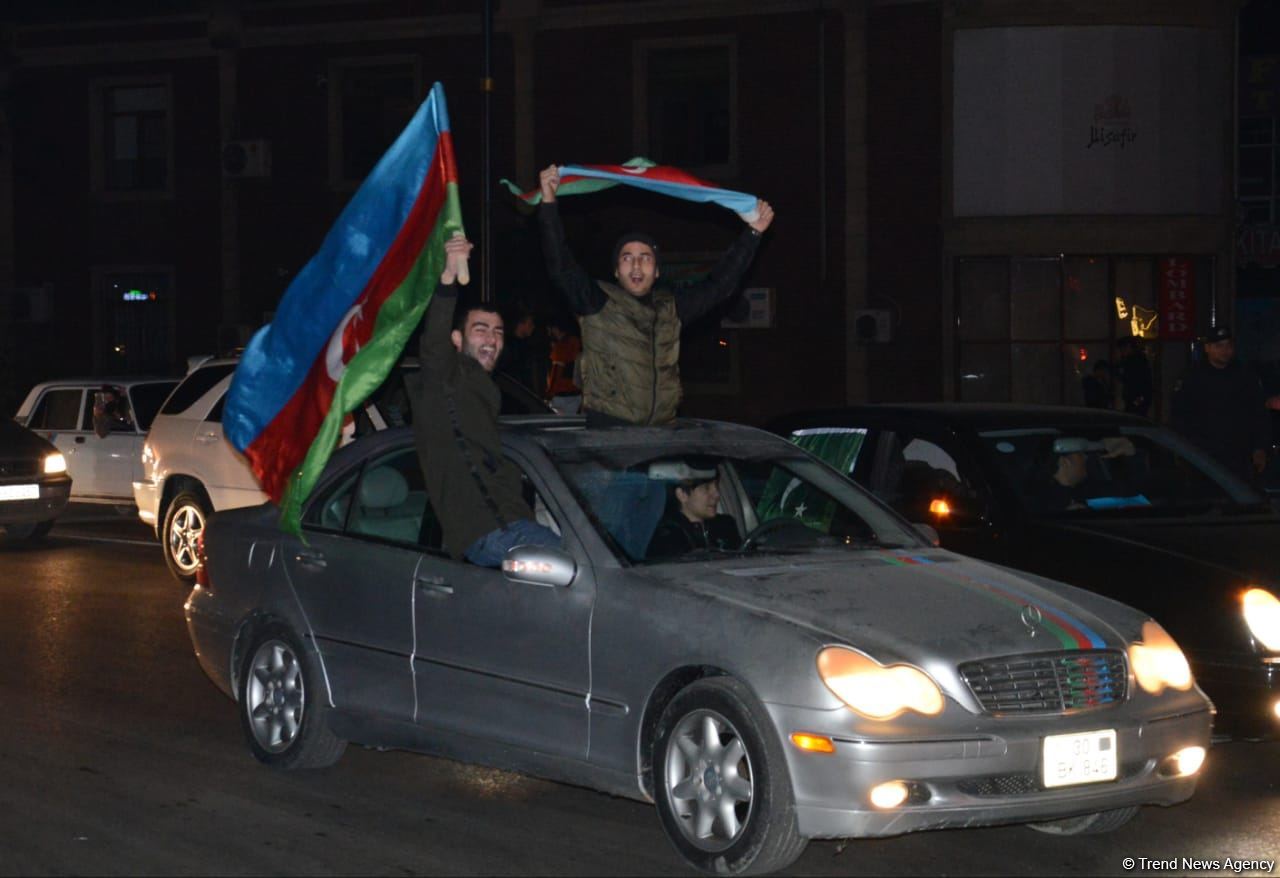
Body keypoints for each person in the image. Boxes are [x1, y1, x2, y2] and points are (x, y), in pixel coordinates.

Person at [537, 164, 775, 426]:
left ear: (657, 271)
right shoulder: (597, 302)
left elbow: (719, 286)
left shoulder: (671, 308)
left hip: (660, 434)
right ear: (616, 271)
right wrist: (548, 204)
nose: (637, 265)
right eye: (627, 258)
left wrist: (753, 233)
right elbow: (561, 266)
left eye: (645, 258)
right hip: (610, 438)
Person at [406, 234, 560, 567]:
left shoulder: (484, 390)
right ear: (457, 339)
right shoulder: (445, 377)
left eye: (498, 331)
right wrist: (447, 278)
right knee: (588, 569)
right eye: (480, 329)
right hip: (491, 532)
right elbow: (433, 343)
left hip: (513, 525)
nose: (491, 337)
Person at [1171, 325, 1272, 484]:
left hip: (1238, 453)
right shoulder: (1192, 377)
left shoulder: (1244, 376)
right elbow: (1179, 415)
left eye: (1229, 345)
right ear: (1207, 348)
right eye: (1219, 346)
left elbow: (1258, 414)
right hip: (1203, 454)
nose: (1225, 350)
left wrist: (1260, 448)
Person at [646, 461, 741, 559]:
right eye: (706, 488)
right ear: (682, 495)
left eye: (716, 486)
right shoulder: (667, 537)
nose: (717, 495)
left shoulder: (726, 525)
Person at [499, 303, 547, 394]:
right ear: (521, 324)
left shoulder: (524, 346)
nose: (533, 327)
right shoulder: (511, 348)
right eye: (530, 323)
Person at [544, 317, 582, 414]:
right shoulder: (578, 343)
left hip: (561, 397)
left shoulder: (561, 347)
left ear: (556, 329)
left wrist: (549, 395)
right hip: (577, 395)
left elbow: (556, 373)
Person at [1115, 336, 1153, 417]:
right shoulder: (1139, 361)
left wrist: (1137, 400)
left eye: (1122, 349)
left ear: (1128, 347)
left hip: (1135, 399)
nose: (1121, 352)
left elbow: (1133, 380)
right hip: (1136, 399)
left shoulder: (1133, 362)